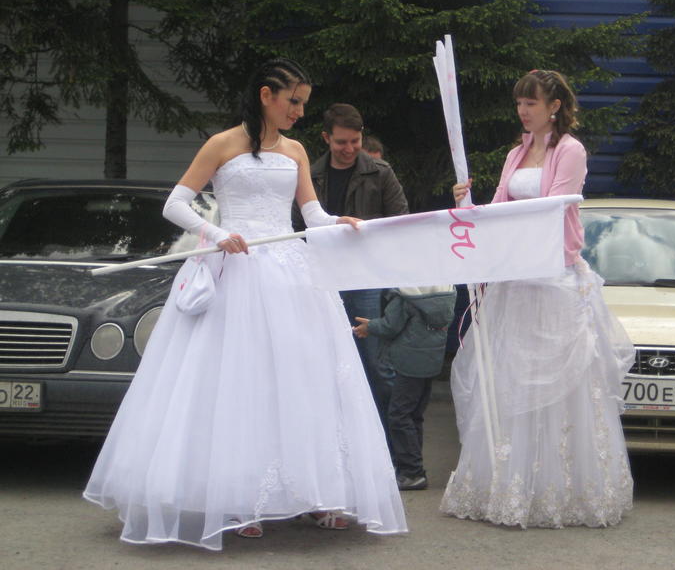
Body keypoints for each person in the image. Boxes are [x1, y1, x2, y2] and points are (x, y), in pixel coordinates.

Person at [83, 58, 407, 550]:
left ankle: (318, 491)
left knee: (305, 379)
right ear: (265, 96)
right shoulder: (222, 144)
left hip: (289, 273)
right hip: (236, 271)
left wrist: (338, 221)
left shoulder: (296, 150)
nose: (299, 111)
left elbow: (311, 213)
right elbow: (175, 203)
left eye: (303, 102)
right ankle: (239, 498)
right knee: (240, 383)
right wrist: (215, 233)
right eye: (293, 101)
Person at [439, 69, 635, 528]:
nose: (523, 111)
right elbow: (497, 209)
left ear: (554, 106)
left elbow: (555, 207)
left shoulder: (571, 150)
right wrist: (468, 205)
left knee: (563, 382)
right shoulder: (516, 153)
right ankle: (508, 485)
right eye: (520, 103)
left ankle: (561, 489)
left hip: (553, 276)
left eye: (532, 103)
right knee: (512, 378)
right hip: (517, 279)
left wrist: (503, 223)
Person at [292, 104, 408, 444]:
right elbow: (296, 227)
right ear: (326, 138)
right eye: (341, 142)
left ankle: (386, 447)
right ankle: (338, 444)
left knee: (376, 365)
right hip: (323, 277)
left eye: (355, 141)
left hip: (366, 278)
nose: (349, 148)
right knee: (326, 363)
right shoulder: (310, 174)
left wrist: (363, 237)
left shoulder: (380, 172)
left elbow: (400, 221)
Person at [352, 284, 457, 491]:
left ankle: (411, 472)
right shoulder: (446, 292)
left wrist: (369, 327)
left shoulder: (406, 296)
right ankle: (413, 469)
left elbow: (390, 326)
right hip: (430, 361)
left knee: (399, 416)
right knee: (414, 415)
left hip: (407, 363)